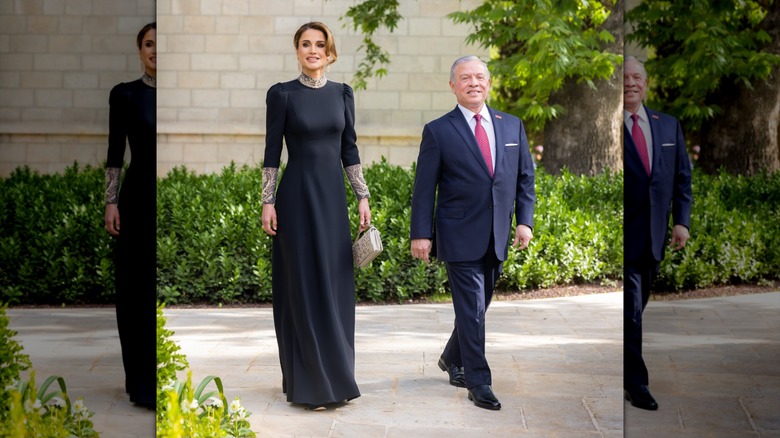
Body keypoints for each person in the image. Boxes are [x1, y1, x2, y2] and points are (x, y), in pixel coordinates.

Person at [410, 56, 536, 411]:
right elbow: (424, 188)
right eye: (465, 78)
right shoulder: (439, 130)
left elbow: (525, 178)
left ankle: (452, 356)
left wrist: (524, 221)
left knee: (477, 308)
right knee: (473, 309)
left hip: (498, 233)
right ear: (453, 86)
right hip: (458, 233)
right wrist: (421, 233)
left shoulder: (512, 126)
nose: (473, 83)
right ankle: (479, 381)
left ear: (489, 83)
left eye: (480, 77)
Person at [261, 21, 371, 410]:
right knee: (303, 285)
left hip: (333, 202)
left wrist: (362, 196)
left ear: (329, 51)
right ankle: (309, 383)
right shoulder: (282, 95)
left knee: (335, 284)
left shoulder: (343, 94)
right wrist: (267, 201)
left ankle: (338, 378)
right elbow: (271, 152)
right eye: (305, 44)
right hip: (296, 200)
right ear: (297, 51)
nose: (312, 50)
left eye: (319, 44)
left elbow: (349, 150)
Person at [623, 56, 693, 411]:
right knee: (631, 312)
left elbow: (682, 176)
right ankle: (636, 383)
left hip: (653, 236)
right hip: (622, 237)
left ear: (646, 83)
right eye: (624, 77)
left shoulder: (667, 125)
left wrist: (681, 221)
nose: (630, 83)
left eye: (637, 77)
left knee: (637, 309)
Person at [103, 22, 157, 409]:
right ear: (140, 50)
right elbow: (114, 153)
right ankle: (140, 382)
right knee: (135, 290)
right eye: (149, 43)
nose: (156, 50)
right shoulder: (125, 94)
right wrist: (111, 201)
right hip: (137, 199)